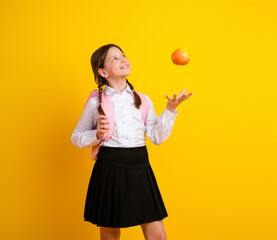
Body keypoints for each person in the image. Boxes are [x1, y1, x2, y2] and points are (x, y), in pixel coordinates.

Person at [71, 43, 192, 240]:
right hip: (109, 168)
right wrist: (96, 134)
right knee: (110, 235)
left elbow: (156, 137)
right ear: (102, 72)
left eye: (123, 55)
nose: (123, 59)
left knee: (158, 236)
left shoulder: (143, 100)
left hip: (140, 166)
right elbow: (76, 137)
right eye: (114, 58)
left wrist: (170, 110)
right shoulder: (96, 102)